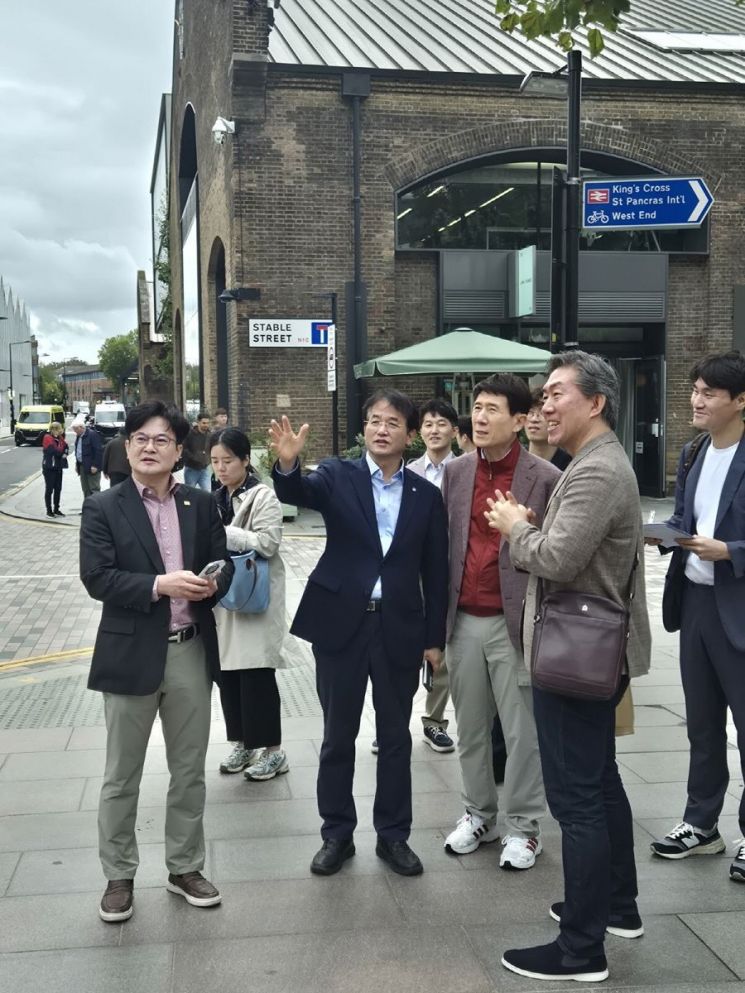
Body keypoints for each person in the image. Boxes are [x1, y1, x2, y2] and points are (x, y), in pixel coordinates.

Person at [486, 350, 651, 984]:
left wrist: (514, 527)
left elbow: (556, 558)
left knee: (576, 800)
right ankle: (616, 907)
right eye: (544, 394)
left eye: (557, 393)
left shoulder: (596, 470)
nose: (545, 405)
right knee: (600, 783)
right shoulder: (594, 462)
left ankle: (581, 949)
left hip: (576, 658)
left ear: (596, 402)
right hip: (590, 653)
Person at [270, 390, 448, 878]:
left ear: (409, 435)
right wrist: (287, 465)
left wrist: (434, 639)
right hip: (341, 624)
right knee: (337, 736)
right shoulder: (337, 474)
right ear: (363, 428)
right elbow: (297, 492)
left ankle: (393, 836)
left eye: (392, 422)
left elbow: (435, 573)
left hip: (399, 626)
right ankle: (337, 834)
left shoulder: (426, 495)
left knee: (395, 737)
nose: (381, 429)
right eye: (373, 420)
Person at [80, 400, 233, 924]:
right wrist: (158, 585)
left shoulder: (200, 503)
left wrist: (213, 582)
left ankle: (185, 867)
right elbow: (97, 577)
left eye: (161, 439)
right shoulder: (104, 507)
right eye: (141, 439)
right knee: (122, 774)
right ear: (127, 448)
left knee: (189, 770)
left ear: (177, 450)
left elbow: (223, 564)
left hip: (190, 649)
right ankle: (118, 875)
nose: (150, 447)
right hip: (130, 653)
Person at [442, 375, 557, 870]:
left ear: (519, 420)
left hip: (517, 621)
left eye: (492, 409)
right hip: (463, 618)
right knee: (469, 728)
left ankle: (525, 828)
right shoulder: (456, 472)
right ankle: (478, 814)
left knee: (521, 731)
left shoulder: (545, 478)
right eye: (476, 408)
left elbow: (554, 552)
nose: (480, 418)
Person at [649, 351, 745, 883]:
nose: (696, 400)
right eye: (695, 390)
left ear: (741, 400)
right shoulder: (693, 452)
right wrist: (663, 534)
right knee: (703, 725)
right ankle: (701, 823)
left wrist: (730, 551)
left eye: (709, 393)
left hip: (738, 605)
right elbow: (685, 518)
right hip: (696, 604)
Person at [211, 428, 290, 782]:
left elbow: (269, 543)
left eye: (228, 460)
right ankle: (243, 743)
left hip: (256, 598)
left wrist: (224, 532)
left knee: (256, 674)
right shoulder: (215, 497)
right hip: (224, 598)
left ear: (245, 460)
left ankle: (274, 751)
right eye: (215, 461)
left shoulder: (263, 496)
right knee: (228, 675)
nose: (221, 468)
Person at [406, 398, 458, 754]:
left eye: (441, 424)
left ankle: (434, 721)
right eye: (428, 424)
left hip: (451, 572)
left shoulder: (467, 470)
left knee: (444, 649)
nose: (434, 430)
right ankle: (392, 720)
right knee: (403, 646)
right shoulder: (408, 471)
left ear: (454, 431)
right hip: (410, 573)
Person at [525, 388, 572, 470]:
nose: (534, 419)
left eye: (542, 413)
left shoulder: (570, 465)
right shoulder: (513, 460)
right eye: (530, 412)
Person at [41, 421, 69, 517]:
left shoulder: (60, 438)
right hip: (49, 468)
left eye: (60, 429)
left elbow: (66, 447)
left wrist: (65, 452)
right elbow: (54, 451)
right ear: (53, 429)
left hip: (58, 467)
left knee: (58, 489)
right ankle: (49, 511)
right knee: (49, 489)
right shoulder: (47, 438)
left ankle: (56, 509)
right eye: (58, 429)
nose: (60, 431)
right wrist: (63, 453)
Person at [72, 415, 103, 497]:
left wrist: (95, 465)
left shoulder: (92, 435)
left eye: (75, 429)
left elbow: (98, 451)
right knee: (85, 489)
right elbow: (78, 451)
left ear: (81, 427)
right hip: (82, 466)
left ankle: (95, 505)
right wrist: (77, 464)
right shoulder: (79, 436)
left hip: (92, 466)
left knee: (94, 489)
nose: (74, 431)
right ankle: (87, 505)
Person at [182, 411, 212, 490]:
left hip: (204, 468)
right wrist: (194, 458)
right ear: (198, 422)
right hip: (191, 468)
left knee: (207, 493)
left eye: (208, 423)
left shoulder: (210, 435)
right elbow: (184, 449)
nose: (206, 425)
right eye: (204, 423)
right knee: (190, 493)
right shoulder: (190, 434)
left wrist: (209, 459)